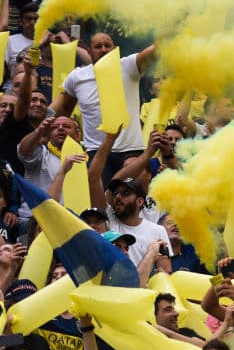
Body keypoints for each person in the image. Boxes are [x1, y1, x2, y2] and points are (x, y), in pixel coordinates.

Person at [51, 32, 156, 181]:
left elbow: (152, 51)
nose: (104, 50)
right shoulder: (77, 77)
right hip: (96, 151)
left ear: (114, 49)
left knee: (132, 193)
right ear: (89, 51)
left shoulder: (128, 66)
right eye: (98, 46)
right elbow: (63, 110)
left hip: (130, 150)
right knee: (99, 195)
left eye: (107, 46)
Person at [103, 177, 171, 266]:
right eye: (116, 193)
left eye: (125, 193)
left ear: (139, 201)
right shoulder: (109, 219)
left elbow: (165, 270)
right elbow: (93, 180)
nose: (118, 197)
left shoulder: (158, 230)